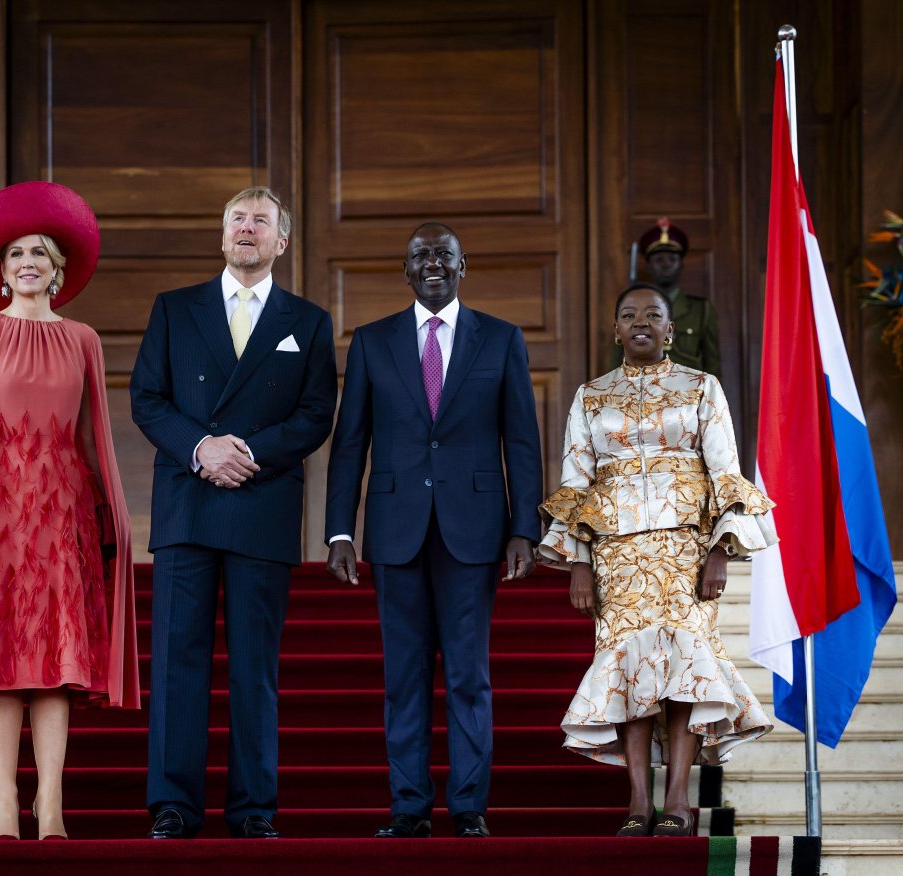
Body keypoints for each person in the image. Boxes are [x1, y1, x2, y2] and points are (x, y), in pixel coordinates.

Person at [0, 182, 140, 841]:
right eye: (16, 253)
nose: (27, 262)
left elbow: (93, 437)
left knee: (57, 664)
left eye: (39, 254)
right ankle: (1, 805)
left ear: (58, 269)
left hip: (63, 514)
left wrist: (109, 516)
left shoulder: (83, 339)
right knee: (3, 666)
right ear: (1, 270)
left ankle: (50, 805)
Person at [131, 186, 337, 840]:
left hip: (261, 505)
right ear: (223, 236)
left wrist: (246, 450)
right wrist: (201, 448)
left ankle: (253, 810)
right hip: (188, 505)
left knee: (255, 670)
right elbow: (147, 398)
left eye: (261, 221)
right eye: (237, 220)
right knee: (176, 664)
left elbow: (315, 414)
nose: (247, 229)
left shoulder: (307, 321)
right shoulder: (174, 309)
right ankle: (173, 805)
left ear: (281, 242)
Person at [325, 223, 543, 839]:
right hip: (395, 532)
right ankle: (410, 806)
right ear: (406, 269)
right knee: (404, 676)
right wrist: (339, 529)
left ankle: (469, 804)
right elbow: (350, 445)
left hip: (474, 532)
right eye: (421, 256)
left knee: (469, 676)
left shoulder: (501, 340)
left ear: (462, 264)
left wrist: (525, 526)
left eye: (443, 255)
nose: (432, 264)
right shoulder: (371, 342)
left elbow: (521, 442)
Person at [540, 283, 775, 837]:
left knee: (683, 672)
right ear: (615, 330)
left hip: (683, 551)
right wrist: (578, 562)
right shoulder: (590, 396)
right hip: (616, 554)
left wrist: (720, 549)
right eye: (628, 315)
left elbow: (724, 471)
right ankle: (638, 803)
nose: (640, 322)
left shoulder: (701, 387)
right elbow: (577, 482)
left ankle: (678, 800)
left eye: (653, 315)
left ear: (671, 330)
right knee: (628, 670)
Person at [610, 218, 722, 380]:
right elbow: (616, 359)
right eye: (659, 260)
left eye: (672, 259)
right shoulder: (629, 309)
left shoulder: (702, 311)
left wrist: (712, 402)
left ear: (681, 264)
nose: (666, 264)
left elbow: (713, 366)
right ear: (648, 266)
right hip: (641, 393)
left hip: (688, 397)